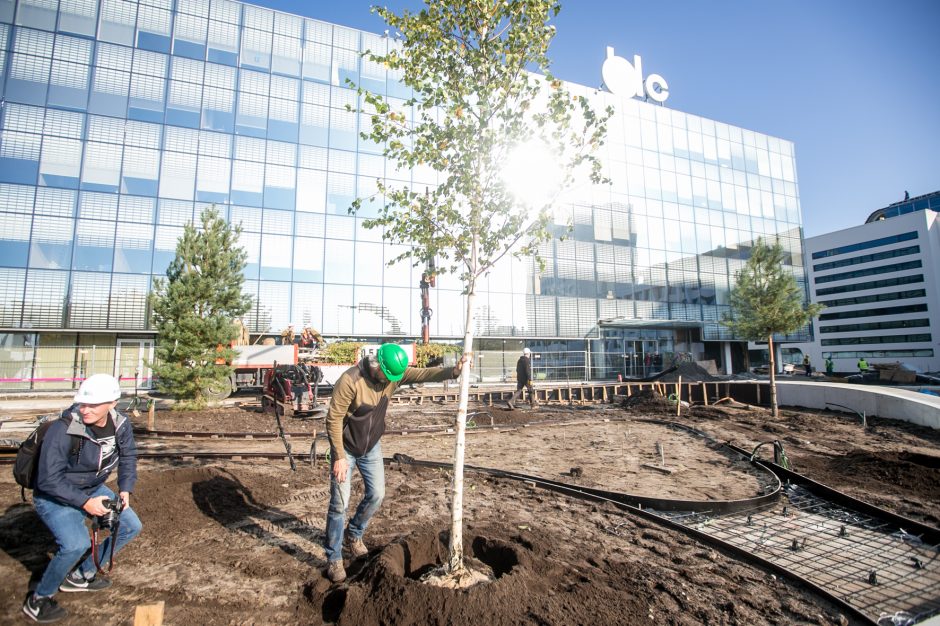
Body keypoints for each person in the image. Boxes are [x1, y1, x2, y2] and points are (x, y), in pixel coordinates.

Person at [323, 344, 466, 583]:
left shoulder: (393, 375)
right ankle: (334, 557)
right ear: (377, 365)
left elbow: (422, 373)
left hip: (371, 447)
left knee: (377, 494)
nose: (392, 381)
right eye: (388, 376)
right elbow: (334, 419)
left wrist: (454, 371)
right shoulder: (350, 381)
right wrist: (338, 456)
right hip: (346, 448)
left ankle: (354, 534)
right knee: (340, 503)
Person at [23, 374, 142, 624]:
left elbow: (128, 454)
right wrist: (86, 503)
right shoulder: (64, 428)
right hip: (55, 494)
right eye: (82, 404)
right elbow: (48, 479)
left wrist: (125, 489)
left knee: (131, 526)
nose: (84, 409)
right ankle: (39, 599)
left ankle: (81, 575)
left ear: (112, 403)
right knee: (74, 544)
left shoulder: (120, 423)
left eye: (92, 405)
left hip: (92, 487)